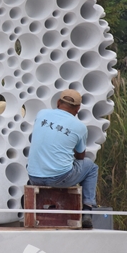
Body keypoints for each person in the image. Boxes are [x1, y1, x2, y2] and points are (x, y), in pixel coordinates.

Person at [26, 89, 98, 228]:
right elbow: (80, 156)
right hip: (60, 178)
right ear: (78, 109)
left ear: (58, 102)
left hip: (34, 176)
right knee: (91, 167)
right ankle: (88, 210)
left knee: (38, 159)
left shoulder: (41, 114)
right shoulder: (80, 127)